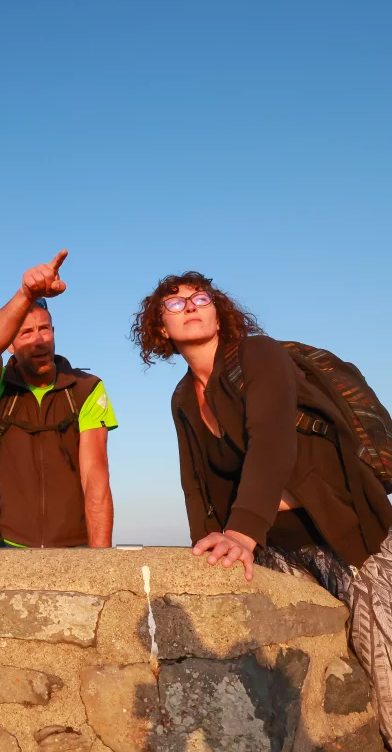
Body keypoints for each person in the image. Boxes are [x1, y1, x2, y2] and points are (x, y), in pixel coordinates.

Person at [131, 271, 392, 746]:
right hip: (279, 551)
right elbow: (197, 484)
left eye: (200, 298)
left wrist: (242, 532)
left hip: (345, 532)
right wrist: (206, 553)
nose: (190, 306)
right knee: (300, 679)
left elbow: (271, 442)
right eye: (174, 304)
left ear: (218, 311)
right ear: (160, 330)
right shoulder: (184, 398)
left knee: (385, 665)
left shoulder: (257, 353)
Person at [0, 250, 117, 548]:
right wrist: (26, 293)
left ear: (53, 331)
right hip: (7, 545)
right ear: (9, 345)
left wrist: (101, 560)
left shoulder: (87, 389)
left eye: (44, 329)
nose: (38, 340)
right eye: (25, 333)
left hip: (73, 548)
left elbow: (95, 477)